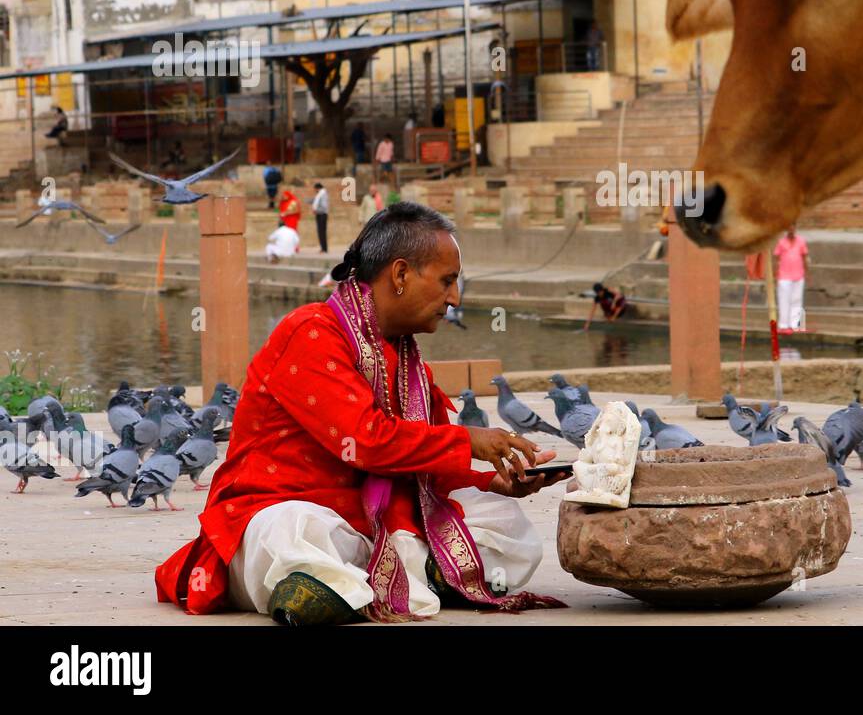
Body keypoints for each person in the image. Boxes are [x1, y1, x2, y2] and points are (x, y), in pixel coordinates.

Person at [155, 204, 567, 623]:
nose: (455, 299)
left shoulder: (406, 357)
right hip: (284, 508)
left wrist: (493, 480)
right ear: (401, 274)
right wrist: (469, 440)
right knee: (293, 531)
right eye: (447, 281)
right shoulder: (311, 332)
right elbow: (368, 441)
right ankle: (346, 579)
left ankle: (356, 583)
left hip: (369, 525)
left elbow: (426, 463)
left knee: (502, 521)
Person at [773, 225, 810, 333]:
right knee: (784, 300)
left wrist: (807, 273)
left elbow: (804, 257)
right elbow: (776, 258)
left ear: (795, 228)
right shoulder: (781, 242)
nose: (791, 230)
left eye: (793, 227)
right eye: (789, 228)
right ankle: (783, 325)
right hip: (784, 276)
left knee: (797, 299)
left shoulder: (801, 241)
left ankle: (795, 325)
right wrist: (775, 274)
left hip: (799, 274)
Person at [312, 182, 330, 254]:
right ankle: (323, 248)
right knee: (320, 232)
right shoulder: (320, 194)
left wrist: (316, 210)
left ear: (317, 188)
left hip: (322, 215)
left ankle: (324, 249)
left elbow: (324, 207)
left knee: (322, 232)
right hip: (320, 214)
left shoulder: (323, 194)